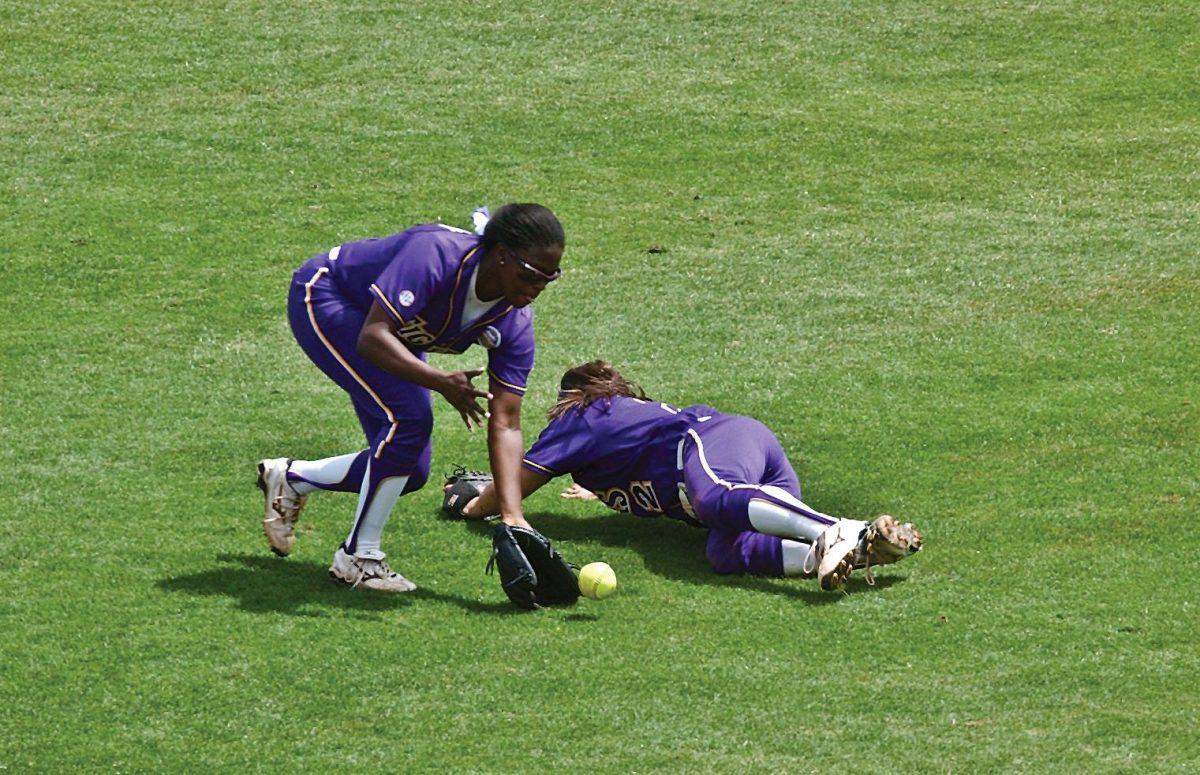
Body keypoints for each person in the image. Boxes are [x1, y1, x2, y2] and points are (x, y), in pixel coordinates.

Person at [257, 204, 565, 591]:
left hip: (390, 333)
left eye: (549, 279)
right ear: (501, 255)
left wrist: (512, 514)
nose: (537, 288)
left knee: (410, 469)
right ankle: (359, 557)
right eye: (531, 275)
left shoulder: (514, 322)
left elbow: (505, 420)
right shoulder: (435, 254)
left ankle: (292, 478)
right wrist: (440, 381)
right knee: (411, 420)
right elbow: (372, 337)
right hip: (328, 297)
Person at [448, 361, 922, 590]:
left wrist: (470, 505)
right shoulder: (611, 438)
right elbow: (634, 462)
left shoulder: (582, 415)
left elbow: (515, 488)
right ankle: (856, 554)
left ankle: (840, 528)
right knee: (723, 551)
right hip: (747, 458)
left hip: (715, 448)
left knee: (713, 496)